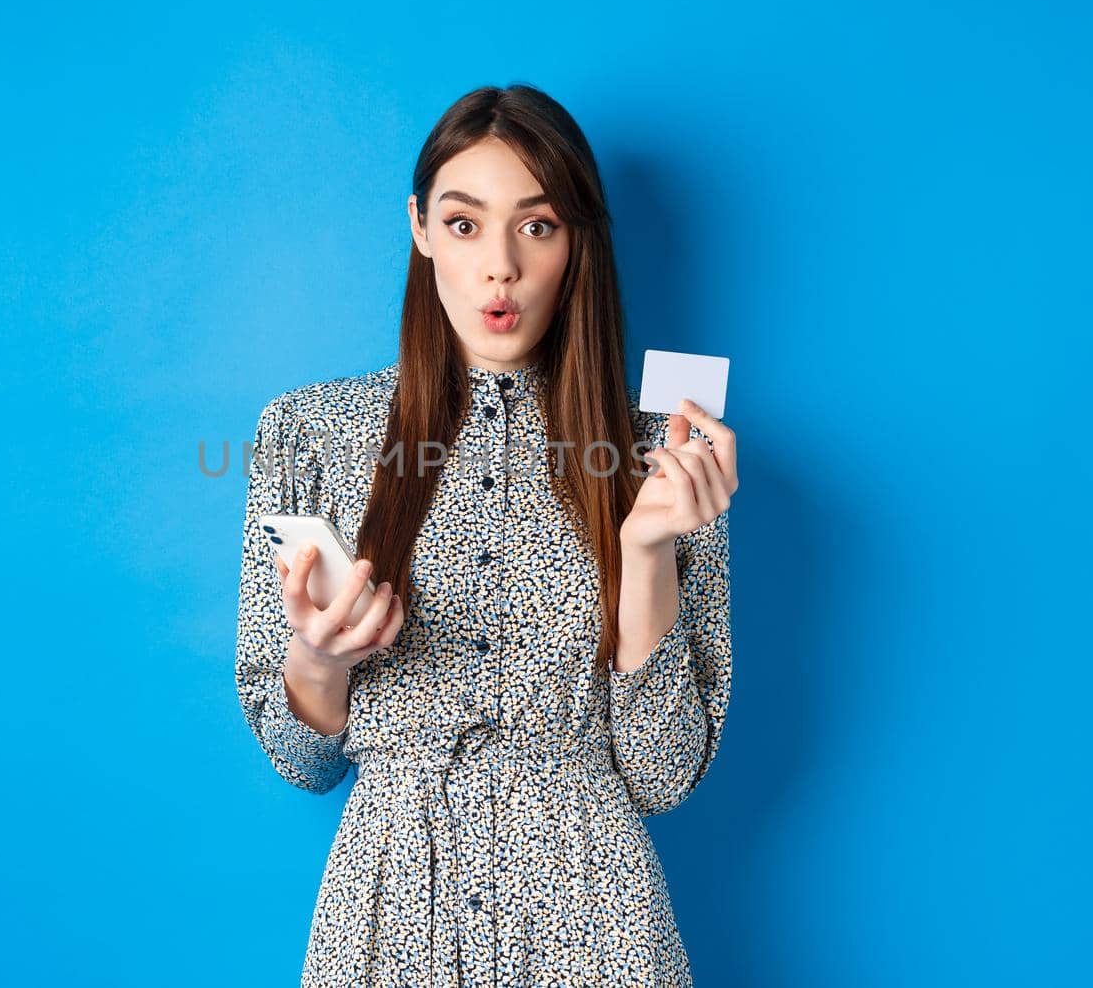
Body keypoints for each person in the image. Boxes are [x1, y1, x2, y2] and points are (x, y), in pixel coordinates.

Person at [235, 82, 738, 987]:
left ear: (576, 243)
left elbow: (662, 775)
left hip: (596, 921)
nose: (498, 266)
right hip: (388, 916)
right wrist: (318, 655)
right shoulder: (306, 433)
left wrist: (647, 549)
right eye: (465, 224)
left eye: (537, 226)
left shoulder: (664, 452)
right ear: (420, 227)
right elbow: (298, 761)